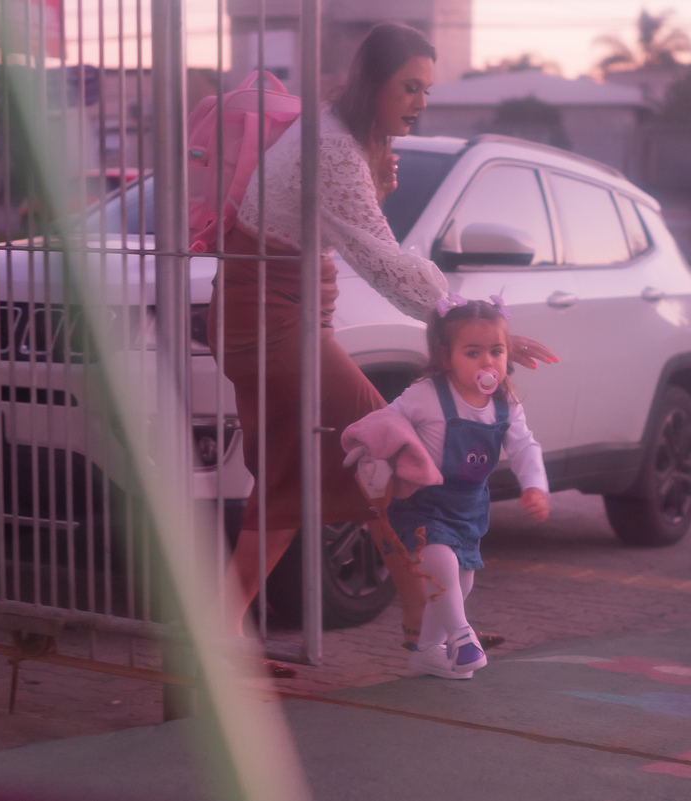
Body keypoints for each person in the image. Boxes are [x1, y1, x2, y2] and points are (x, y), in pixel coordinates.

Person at [208, 22, 556, 651]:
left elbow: (334, 227)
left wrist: (378, 187)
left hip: (269, 314)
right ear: (374, 84)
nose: (421, 102)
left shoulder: (338, 135)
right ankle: (425, 610)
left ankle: (220, 628)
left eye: (426, 89)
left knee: (292, 473)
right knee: (395, 445)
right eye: (410, 87)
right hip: (272, 319)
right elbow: (386, 263)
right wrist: (477, 324)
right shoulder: (336, 148)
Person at [372, 296, 550, 678]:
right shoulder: (426, 393)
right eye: (473, 353)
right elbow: (387, 421)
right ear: (445, 356)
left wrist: (534, 485)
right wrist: (384, 458)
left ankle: (427, 650)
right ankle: (461, 635)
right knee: (442, 562)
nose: (488, 362)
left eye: (496, 351)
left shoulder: (505, 402)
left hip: (468, 505)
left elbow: (523, 445)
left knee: (462, 578)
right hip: (421, 500)